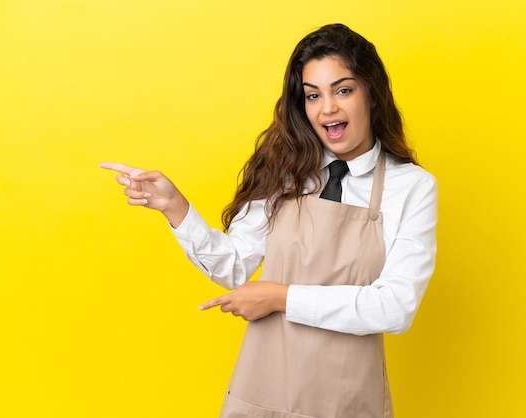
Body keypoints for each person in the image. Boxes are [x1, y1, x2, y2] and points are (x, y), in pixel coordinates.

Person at [101, 23, 437, 418]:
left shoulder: (412, 187)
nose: (327, 107)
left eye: (343, 90)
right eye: (313, 96)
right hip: (263, 390)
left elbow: (395, 307)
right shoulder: (287, 172)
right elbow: (235, 267)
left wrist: (280, 297)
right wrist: (176, 208)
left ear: (372, 95)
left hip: (347, 402)